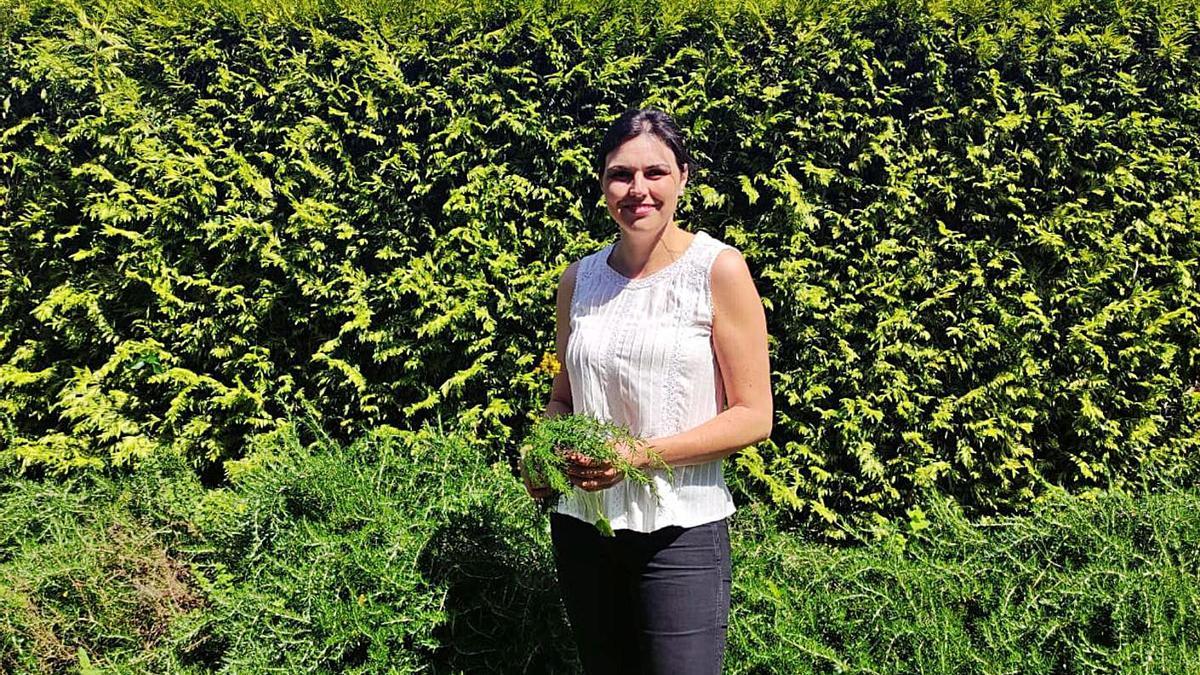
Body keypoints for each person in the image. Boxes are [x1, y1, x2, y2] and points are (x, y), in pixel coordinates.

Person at [522, 108, 772, 674]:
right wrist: (542, 453)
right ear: (602, 184)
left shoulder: (718, 270)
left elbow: (754, 415)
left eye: (655, 173)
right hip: (583, 526)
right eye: (620, 174)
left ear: (683, 176)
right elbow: (564, 396)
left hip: (680, 532)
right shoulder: (578, 280)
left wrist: (635, 457)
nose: (638, 190)